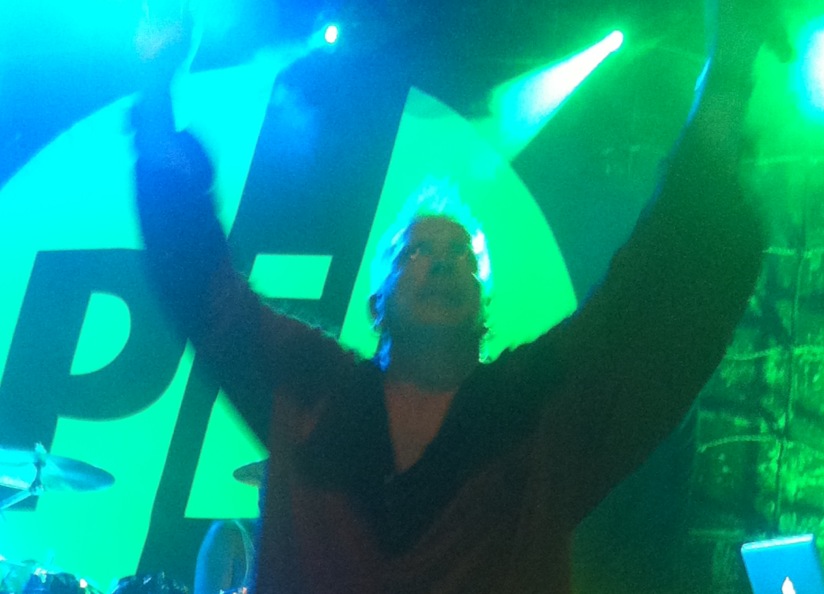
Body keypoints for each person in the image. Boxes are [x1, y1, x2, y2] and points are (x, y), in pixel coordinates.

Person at [132, 0, 784, 591]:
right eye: (415, 251)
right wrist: (157, 88)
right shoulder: (310, 391)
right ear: (377, 302)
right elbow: (202, 287)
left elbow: (658, 294)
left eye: (463, 256)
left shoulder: (539, 411)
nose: (443, 261)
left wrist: (728, 71)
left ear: (483, 306)